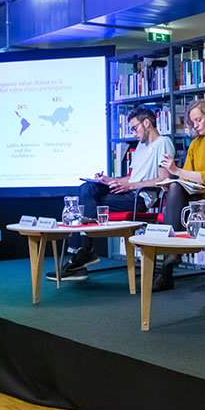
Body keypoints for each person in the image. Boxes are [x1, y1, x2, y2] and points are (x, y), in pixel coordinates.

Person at [48, 106, 174, 281]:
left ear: (147, 123)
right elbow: (129, 180)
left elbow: (164, 179)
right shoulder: (139, 147)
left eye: (134, 128)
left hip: (140, 198)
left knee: (87, 206)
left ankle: (82, 251)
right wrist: (107, 179)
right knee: (87, 188)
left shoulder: (163, 142)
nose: (133, 133)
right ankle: (83, 250)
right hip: (129, 192)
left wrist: (131, 187)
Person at [153, 98, 205, 291]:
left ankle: (170, 258)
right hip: (194, 197)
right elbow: (189, 178)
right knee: (174, 187)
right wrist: (173, 179)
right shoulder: (195, 144)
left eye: (198, 120)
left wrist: (176, 172)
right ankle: (172, 254)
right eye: (192, 122)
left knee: (176, 187)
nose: (195, 125)